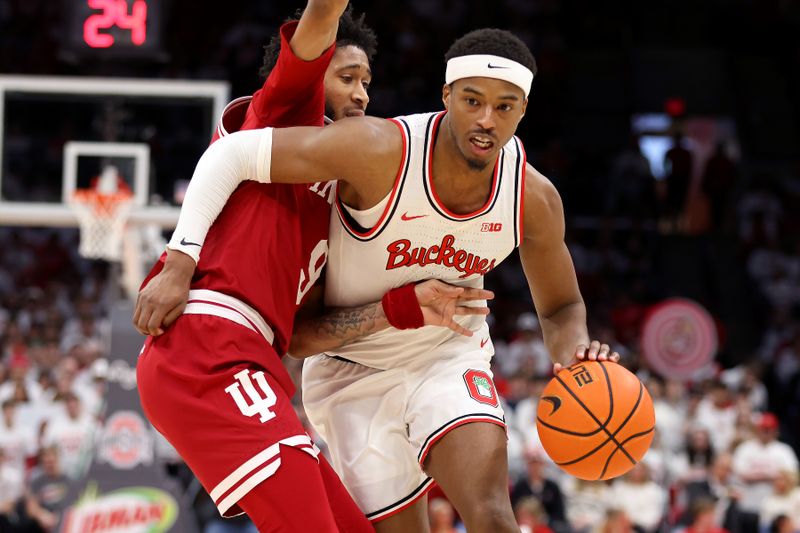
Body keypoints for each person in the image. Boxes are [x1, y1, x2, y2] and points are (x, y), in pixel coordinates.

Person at [140, 27, 620, 532]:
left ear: (523, 109)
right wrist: (180, 260)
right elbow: (302, 335)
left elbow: (562, 308)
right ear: (446, 96)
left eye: (505, 107)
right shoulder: (376, 149)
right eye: (473, 100)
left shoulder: (532, 198)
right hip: (352, 371)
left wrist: (576, 357)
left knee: (494, 516)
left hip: (444, 355)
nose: (485, 120)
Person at [135, 3, 490, 531]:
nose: (363, 93)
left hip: (257, 359)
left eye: (367, 81)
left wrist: (405, 307)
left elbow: (303, 336)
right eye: (347, 76)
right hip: (205, 346)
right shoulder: (287, 113)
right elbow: (322, 14)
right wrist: (178, 263)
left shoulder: (343, 202)